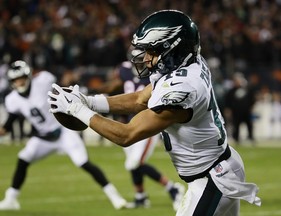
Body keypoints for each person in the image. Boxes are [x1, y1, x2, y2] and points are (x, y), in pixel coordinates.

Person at [48, 10, 261, 216]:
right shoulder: (186, 63)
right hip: (221, 164)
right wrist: (90, 101)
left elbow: (127, 135)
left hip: (212, 179)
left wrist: (77, 109)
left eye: (153, 50)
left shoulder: (183, 86)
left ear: (173, 48)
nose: (146, 57)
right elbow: (139, 99)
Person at [0, 60, 127, 211]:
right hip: (43, 137)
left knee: (83, 162)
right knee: (23, 158)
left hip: (63, 131)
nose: (19, 82)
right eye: (15, 79)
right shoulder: (12, 99)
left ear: (28, 76)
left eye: (21, 77)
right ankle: (11, 199)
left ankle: (115, 196)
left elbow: (62, 87)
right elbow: (8, 125)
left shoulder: (43, 81)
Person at [92, 49, 185, 211]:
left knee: (134, 163)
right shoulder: (124, 69)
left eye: (144, 59)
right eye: (139, 59)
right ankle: (141, 196)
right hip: (131, 122)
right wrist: (95, 93)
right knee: (133, 163)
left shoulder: (157, 71)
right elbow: (116, 84)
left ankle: (172, 188)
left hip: (149, 122)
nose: (143, 62)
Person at [224, 72, 257, 144]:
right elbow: (228, 101)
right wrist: (228, 109)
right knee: (236, 125)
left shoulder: (247, 89)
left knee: (249, 124)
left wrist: (252, 107)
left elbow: (252, 99)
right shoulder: (231, 91)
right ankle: (236, 138)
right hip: (236, 111)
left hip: (246, 111)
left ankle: (251, 137)